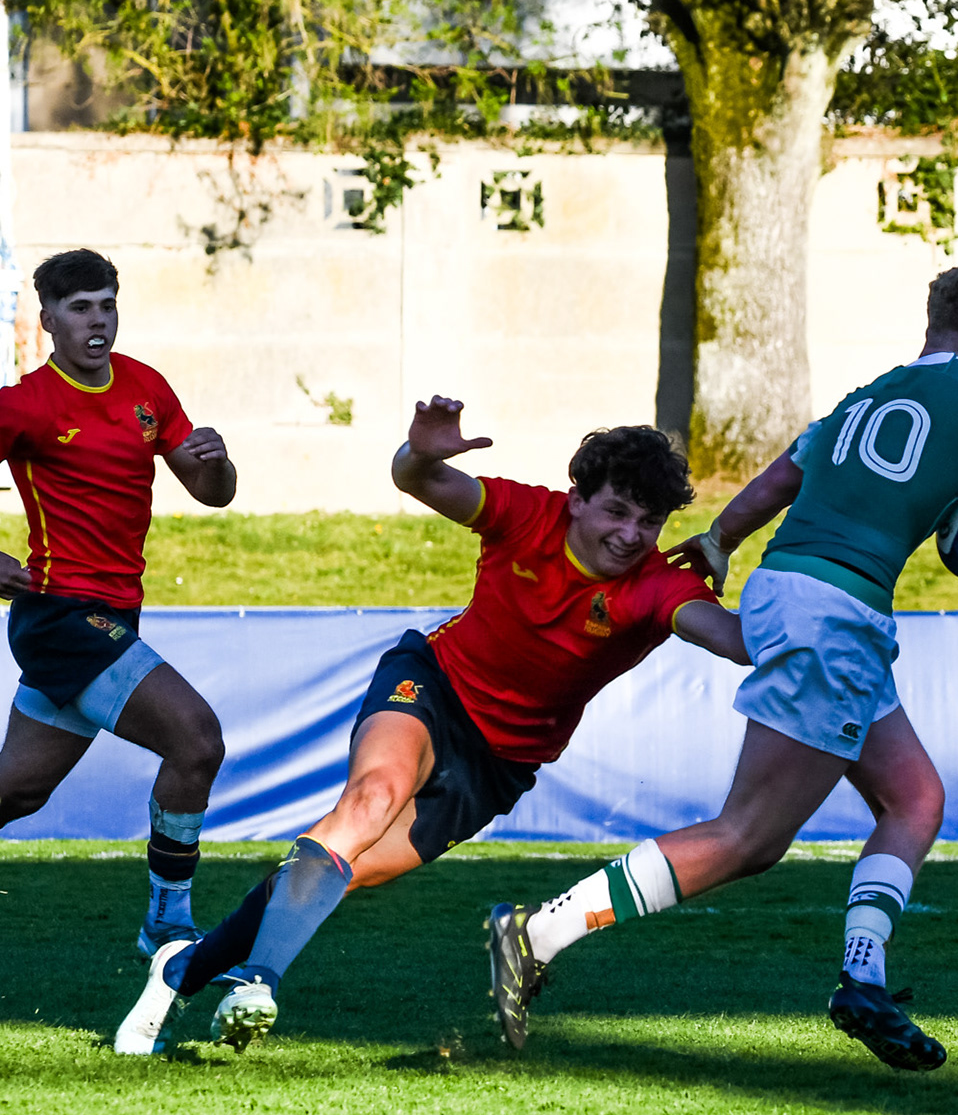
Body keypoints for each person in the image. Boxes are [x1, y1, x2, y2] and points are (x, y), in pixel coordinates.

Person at [487, 263, 958, 1069]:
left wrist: (720, 540)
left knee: (914, 798)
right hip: (835, 611)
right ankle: (538, 932)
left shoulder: (869, 394)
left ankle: (864, 980)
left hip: (795, 590)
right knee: (748, 837)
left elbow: (781, 477)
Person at [114, 399, 748, 1054]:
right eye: (617, 511)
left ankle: (180, 971)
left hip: (497, 767)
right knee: (370, 800)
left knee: (341, 871)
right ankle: (257, 981)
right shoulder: (527, 514)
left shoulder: (657, 586)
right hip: (432, 687)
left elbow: (733, 641)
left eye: (650, 522)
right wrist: (419, 452)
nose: (631, 535)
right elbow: (416, 479)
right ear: (578, 500)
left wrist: (800, 601)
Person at [0, 249, 237, 962]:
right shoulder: (26, 405)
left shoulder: (145, 386)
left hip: (111, 618)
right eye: (80, 309)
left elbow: (213, 493)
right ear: (47, 321)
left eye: (106, 305)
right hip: (61, 617)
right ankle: (167, 923)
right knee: (196, 738)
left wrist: (218, 461)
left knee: (17, 793)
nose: (97, 321)